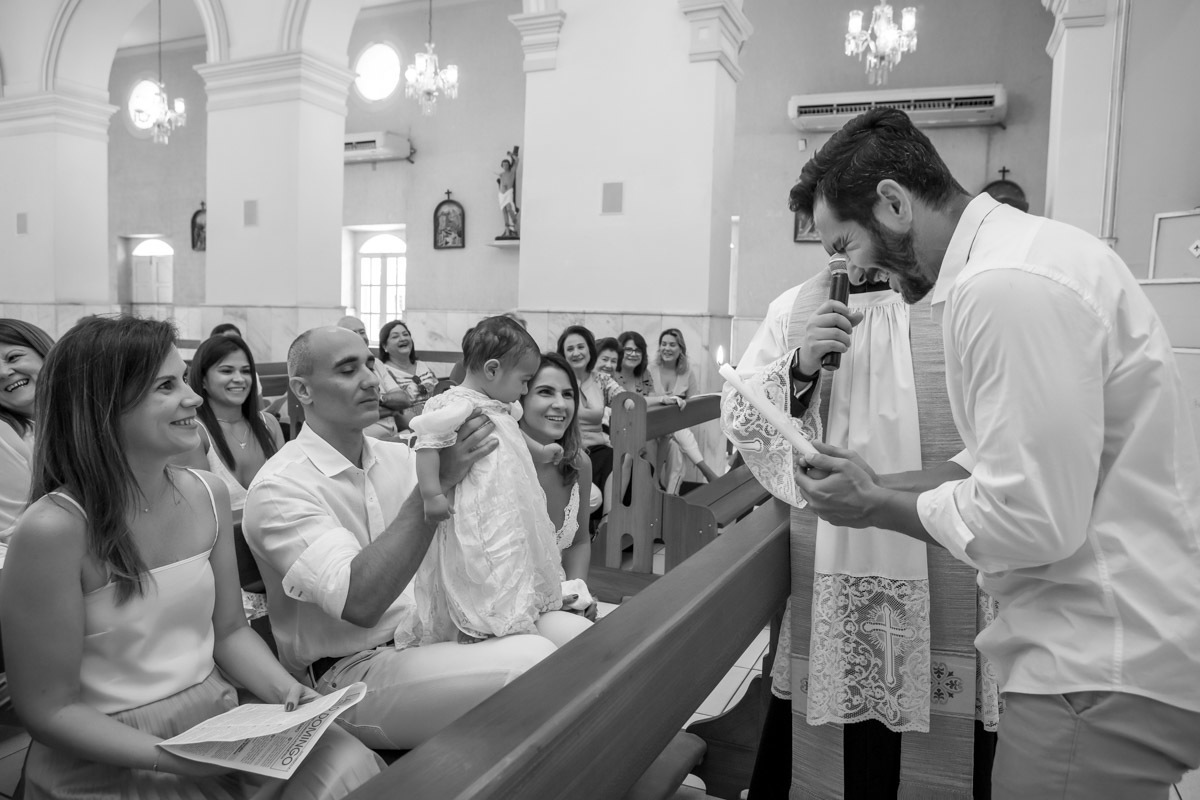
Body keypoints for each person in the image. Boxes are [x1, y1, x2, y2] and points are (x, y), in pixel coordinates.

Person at [789, 107, 1200, 797]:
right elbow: (993, 463)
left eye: (847, 245)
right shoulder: (1027, 257)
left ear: (894, 202)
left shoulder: (1002, 284)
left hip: (1094, 663)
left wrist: (876, 505)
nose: (850, 270)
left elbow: (1031, 519)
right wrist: (876, 481)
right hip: (1108, 649)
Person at [0, 315, 380, 799]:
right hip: (109, 746)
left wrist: (285, 690)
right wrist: (169, 757)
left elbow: (229, 632)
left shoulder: (206, 493)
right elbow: (48, 711)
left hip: (214, 717)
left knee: (344, 764)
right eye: (166, 385)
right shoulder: (53, 528)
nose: (194, 397)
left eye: (183, 378)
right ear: (101, 407)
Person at [723, 266, 998, 798]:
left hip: (937, 542)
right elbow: (741, 412)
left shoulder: (957, 300)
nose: (840, 251)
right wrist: (800, 368)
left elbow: (999, 432)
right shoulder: (795, 306)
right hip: (830, 554)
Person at [242, 326, 574, 751]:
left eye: (369, 364)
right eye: (348, 369)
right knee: (532, 661)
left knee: (576, 637)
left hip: (433, 630)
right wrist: (436, 486)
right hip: (352, 673)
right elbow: (360, 602)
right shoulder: (281, 488)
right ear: (302, 389)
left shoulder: (400, 455)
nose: (370, 379)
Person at [396, 316, 580, 647]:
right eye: (524, 381)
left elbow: (514, 436)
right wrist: (432, 494)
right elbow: (427, 445)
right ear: (493, 370)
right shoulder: (455, 405)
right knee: (480, 558)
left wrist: (541, 452)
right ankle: (476, 622)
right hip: (475, 506)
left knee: (513, 553)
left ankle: (518, 607)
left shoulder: (500, 406)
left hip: (507, 500)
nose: (524, 389)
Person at [518, 352, 596, 597]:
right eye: (545, 392)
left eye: (568, 394)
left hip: (555, 597)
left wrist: (577, 593)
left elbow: (578, 542)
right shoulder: (500, 459)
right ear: (519, 399)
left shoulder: (578, 463)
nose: (561, 404)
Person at [557, 325, 620, 530]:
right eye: (570, 349)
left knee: (624, 457)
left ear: (590, 350)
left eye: (581, 347)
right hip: (571, 447)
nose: (576, 353)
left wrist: (664, 399)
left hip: (598, 446)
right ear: (563, 354)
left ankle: (608, 522)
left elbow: (629, 400)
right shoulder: (559, 380)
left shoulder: (601, 380)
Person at [0, 319, 54, 543]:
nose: (3, 372)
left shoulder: (90, 417)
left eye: (13, 357)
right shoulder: (4, 436)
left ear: (45, 353)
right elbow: (13, 536)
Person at [649, 328, 720, 490]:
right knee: (677, 433)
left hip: (674, 430)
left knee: (676, 451)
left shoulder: (687, 372)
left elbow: (693, 403)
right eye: (663, 344)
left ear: (680, 349)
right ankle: (705, 470)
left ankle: (669, 495)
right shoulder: (649, 369)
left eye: (672, 345)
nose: (667, 348)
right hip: (652, 424)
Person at [497, 147, 520, 239]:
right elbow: (502, 182)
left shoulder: (512, 171)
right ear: (502, 166)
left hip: (508, 193)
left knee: (509, 209)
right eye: (503, 165)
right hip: (501, 194)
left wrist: (511, 155)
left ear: (509, 165)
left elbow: (517, 160)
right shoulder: (501, 174)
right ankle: (507, 231)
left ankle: (516, 226)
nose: (505, 166)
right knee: (504, 211)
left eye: (506, 164)